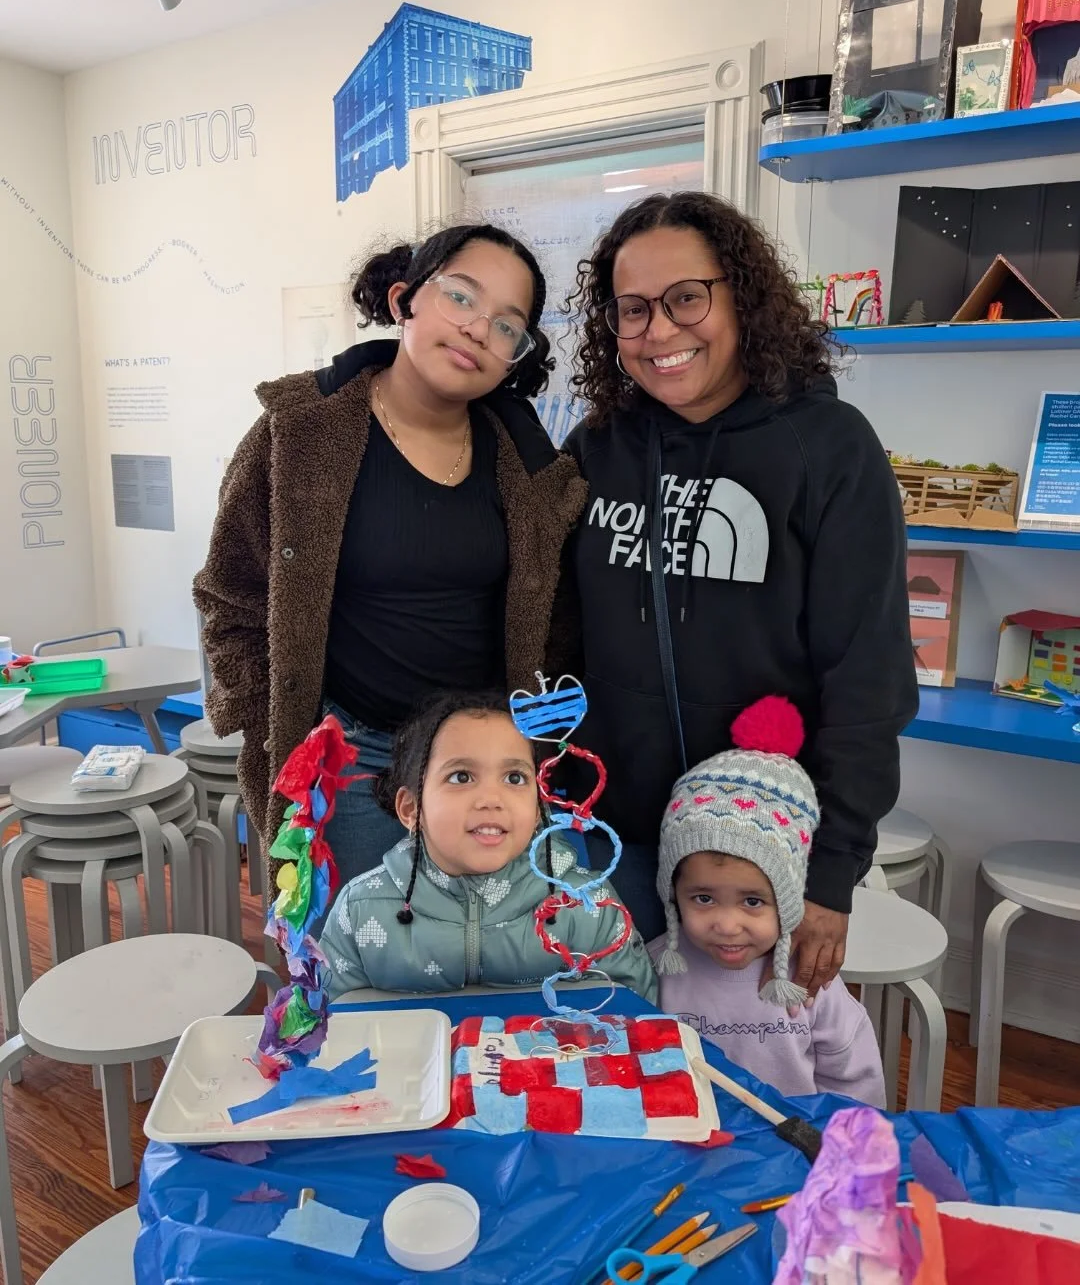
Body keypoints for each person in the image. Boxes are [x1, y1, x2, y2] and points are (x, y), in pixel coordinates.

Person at [561, 190, 918, 997]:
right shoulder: (597, 449)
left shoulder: (830, 448)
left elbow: (868, 680)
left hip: (755, 853)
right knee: (616, 1066)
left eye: (687, 297)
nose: (660, 330)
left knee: (750, 1079)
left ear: (741, 297)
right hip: (608, 840)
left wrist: (832, 876)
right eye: (632, 309)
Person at [194, 224, 586, 888]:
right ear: (405, 300)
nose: (475, 330)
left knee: (483, 963)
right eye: (461, 298)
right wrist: (261, 719)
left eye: (505, 326)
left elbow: (555, 629)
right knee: (359, 971)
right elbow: (229, 594)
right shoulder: (296, 436)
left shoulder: (532, 469)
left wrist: (537, 751)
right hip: (352, 763)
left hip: (486, 764)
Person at [319, 690, 658, 1002]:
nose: (492, 799)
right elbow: (328, 1026)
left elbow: (638, 1011)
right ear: (411, 809)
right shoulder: (360, 909)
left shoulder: (588, 905)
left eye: (515, 778)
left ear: (539, 807)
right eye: (461, 777)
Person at [650, 696, 885, 1106]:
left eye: (753, 902)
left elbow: (853, 1083)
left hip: (791, 1158)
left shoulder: (810, 985)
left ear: (791, 896)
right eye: (703, 897)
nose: (726, 924)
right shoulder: (653, 971)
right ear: (673, 893)